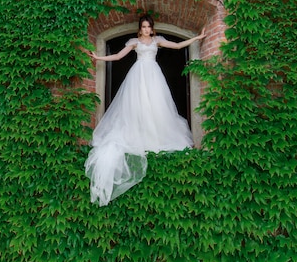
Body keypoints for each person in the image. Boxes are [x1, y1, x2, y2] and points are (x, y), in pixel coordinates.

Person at [85, 14, 206, 206]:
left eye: (149, 27)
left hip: (153, 74)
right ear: (139, 29)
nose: (146, 29)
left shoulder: (157, 40)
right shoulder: (134, 42)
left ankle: (155, 138)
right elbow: (118, 56)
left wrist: (197, 39)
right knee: (137, 106)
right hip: (138, 75)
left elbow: (176, 46)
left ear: (152, 28)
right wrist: (98, 57)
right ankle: (139, 136)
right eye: (144, 27)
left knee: (156, 105)